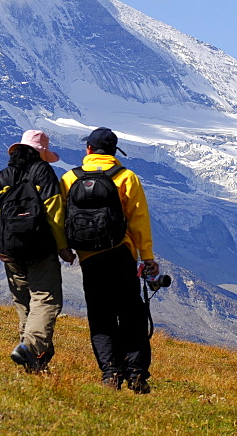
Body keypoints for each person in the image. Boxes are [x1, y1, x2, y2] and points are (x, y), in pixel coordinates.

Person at [0, 130, 75, 373]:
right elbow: (54, 214)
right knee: (46, 300)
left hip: (10, 251)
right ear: (40, 153)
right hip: (40, 249)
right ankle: (30, 349)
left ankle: (33, 361)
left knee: (25, 304)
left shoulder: (3, 175)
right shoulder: (44, 173)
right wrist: (63, 247)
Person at [61, 127, 159, 393]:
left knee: (100, 315)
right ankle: (137, 375)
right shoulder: (126, 177)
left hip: (89, 257)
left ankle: (110, 374)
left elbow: (61, 218)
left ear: (89, 150)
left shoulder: (70, 178)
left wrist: (64, 248)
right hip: (121, 253)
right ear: (115, 152)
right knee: (132, 314)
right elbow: (139, 221)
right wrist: (147, 256)